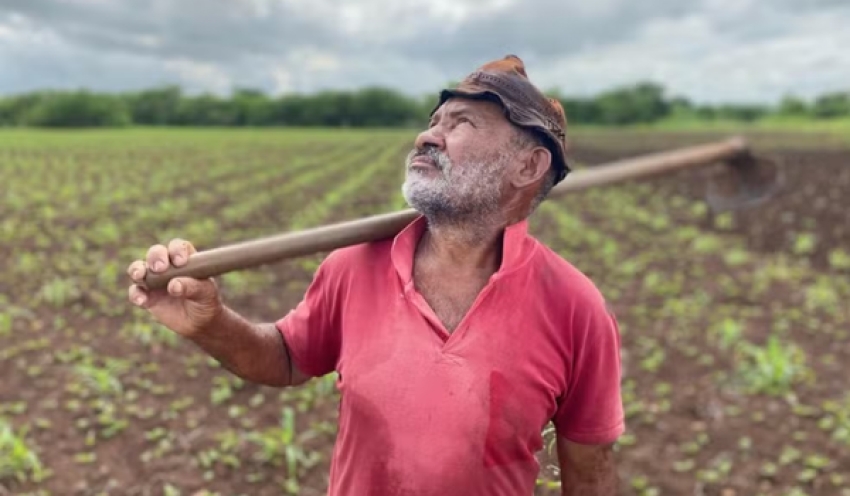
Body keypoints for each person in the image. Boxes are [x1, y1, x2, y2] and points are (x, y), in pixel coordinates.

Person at [127, 55, 625, 496]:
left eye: (462, 123)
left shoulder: (574, 307)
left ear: (528, 164)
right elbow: (284, 359)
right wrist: (210, 323)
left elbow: (590, 472)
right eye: (434, 120)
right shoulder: (353, 266)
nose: (427, 136)